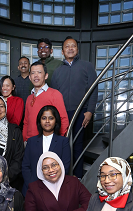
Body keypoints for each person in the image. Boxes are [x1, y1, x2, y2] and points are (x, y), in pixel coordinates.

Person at [52, 37, 98, 178]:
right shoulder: (57, 71)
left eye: (73, 46)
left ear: (77, 49)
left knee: (77, 144)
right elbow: (54, 94)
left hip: (81, 111)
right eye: (67, 46)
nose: (70, 48)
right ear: (62, 51)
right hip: (62, 113)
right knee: (61, 144)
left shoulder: (87, 66)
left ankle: (77, 177)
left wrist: (90, 111)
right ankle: (62, 176)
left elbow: (93, 89)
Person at [22, 105, 71, 196]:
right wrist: (33, 186)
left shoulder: (63, 141)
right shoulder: (31, 141)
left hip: (55, 189)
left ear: (56, 121)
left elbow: (64, 167)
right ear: (39, 121)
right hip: (32, 189)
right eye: (44, 118)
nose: (47, 121)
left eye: (51, 118)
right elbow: (25, 166)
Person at [22, 62, 69, 142]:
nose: (36, 75)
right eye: (33, 73)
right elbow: (26, 122)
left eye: (39, 72)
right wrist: (24, 140)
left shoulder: (55, 94)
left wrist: (57, 141)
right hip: (30, 142)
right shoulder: (29, 98)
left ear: (46, 76)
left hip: (48, 141)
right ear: (30, 77)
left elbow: (64, 120)